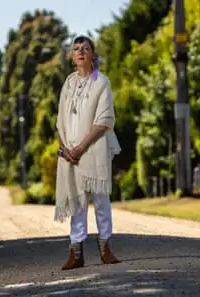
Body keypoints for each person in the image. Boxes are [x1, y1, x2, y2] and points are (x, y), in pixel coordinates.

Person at [54, 35, 122, 270]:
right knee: (77, 201)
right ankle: (76, 253)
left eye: (85, 48)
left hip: (94, 149)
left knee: (101, 199)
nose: (80, 51)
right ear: (73, 56)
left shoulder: (101, 82)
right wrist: (67, 148)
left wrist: (81, 147)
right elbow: (60, 119)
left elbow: (104, 120)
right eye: (76, 49)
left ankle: (105, 248)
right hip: (71, 152)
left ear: (93, 55)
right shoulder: (69, 83)